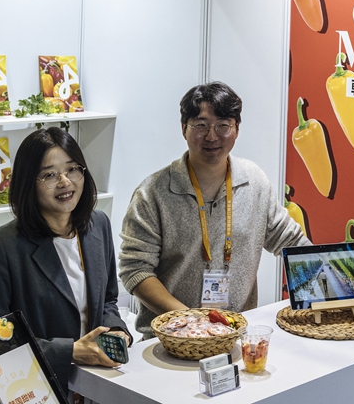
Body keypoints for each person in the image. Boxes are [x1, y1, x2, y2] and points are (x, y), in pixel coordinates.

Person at [119, 82, 310, 337]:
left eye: (223, 125)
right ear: (183, 128)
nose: (212, 136)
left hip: (236, 336)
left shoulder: (254, 181)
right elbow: (136, 270)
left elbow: (292, 242)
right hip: (170, 339)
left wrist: (335, 285)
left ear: (237, 129)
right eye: (200, 125)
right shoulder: (152, 193)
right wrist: (192, 320)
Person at [0, 127, 130, 398]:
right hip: (37, 392)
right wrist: (71, 352)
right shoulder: (3, 246)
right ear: (28, 183)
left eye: (72, 169)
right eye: (49, 175)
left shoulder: (98, 225)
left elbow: (107, 299)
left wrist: (115, 330)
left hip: (96, 387)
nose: (65, 182)